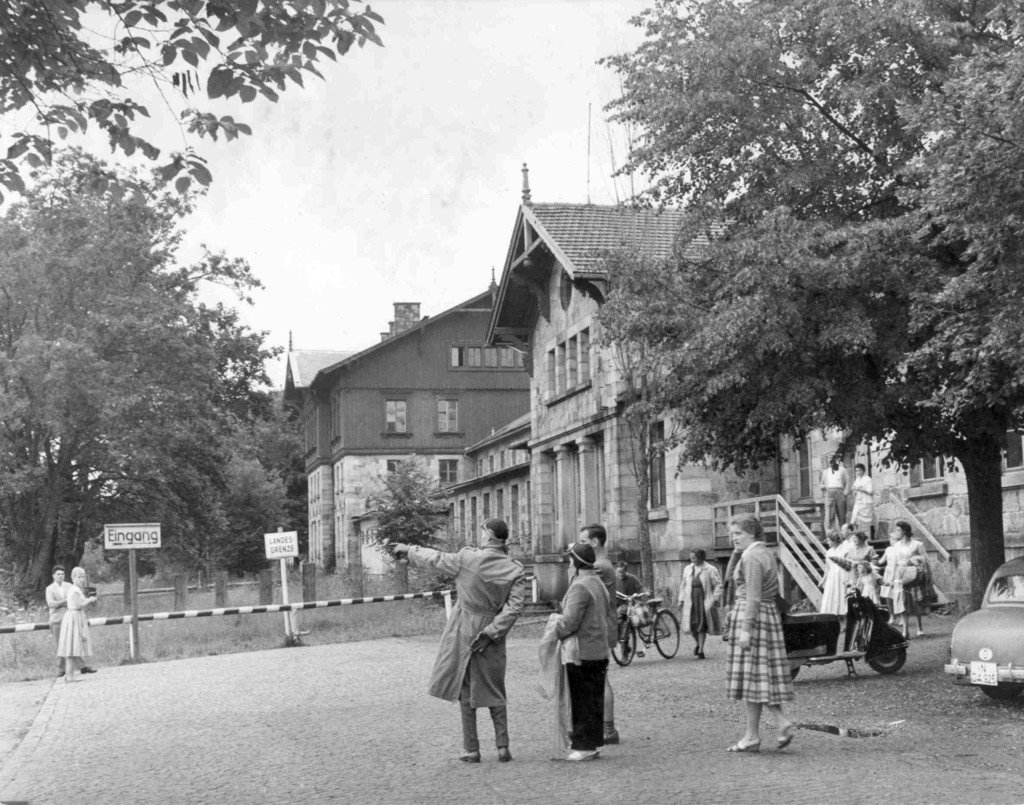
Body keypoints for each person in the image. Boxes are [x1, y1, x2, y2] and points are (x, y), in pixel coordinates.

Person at [389, 518, 525, 763]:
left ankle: (471, 750)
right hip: (492, 633)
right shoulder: (515, 569)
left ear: (489, 537)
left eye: (483, 532)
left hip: (463, 628)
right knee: (494, 687)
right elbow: (514, 609)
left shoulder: (467, 558)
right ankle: (503, 746)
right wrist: (492, 632)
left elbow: (436, 558)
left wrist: (409, 550)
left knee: (465, 688)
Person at [724, 513, 795, 753]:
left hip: (753, 617)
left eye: (738, 533)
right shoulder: (763, 552)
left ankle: (774, 725)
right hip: (766, 615)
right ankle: (753, 734)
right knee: (757, 678)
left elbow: (753, 595)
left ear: (752, 533)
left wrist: (745, 629)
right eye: (732, 534)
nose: (734, 538)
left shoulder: (753, 556)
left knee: (755, 678)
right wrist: (737, 552)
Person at [554, 542, 613, 761]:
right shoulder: (598, 582)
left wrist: (554, 630)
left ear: (576, 562)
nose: (569, 563)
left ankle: (584, 746)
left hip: (581, 651)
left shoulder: (580, 586)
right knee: (594, 699)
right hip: (599, 650)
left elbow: (570, 622)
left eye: (570, 559)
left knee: (582, 700)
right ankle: (594, 743)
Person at [576, 524, 620, 745]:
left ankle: (608, 729)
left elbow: (575, 585)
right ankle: (603, 727)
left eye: (583, 542)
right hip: (605, 624)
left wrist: (573, 563)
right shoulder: (604, 563)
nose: (580, 546)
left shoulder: (598, 566)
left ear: (594, 542)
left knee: (600, 680)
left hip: (601, 627)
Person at [677, 549, 722, 659]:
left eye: (695, 557)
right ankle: (697, 643)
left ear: (701, 558)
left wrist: (716, 599)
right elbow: (683, 585)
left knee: (701, 625)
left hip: (703, 600)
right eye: (691, 557)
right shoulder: (688, 569)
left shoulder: (710, 569)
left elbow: (718, 585)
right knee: (691, 626)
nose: (692, 560)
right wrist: (681, 600)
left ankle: (701, 649)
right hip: (690, 600)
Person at [57, 567, 98, 682]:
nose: (81, 579)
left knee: (74, 646)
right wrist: (89, 600)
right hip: (73, 617)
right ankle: (69, 675)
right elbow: (78, 605)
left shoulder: (77, 589)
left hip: (77, 617)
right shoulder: (74, 589)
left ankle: (69, 675)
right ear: (73, 578)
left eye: (83, 576)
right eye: (79, 577)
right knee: (71, 646)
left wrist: (89, 600)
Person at [890, 520, 929, 639]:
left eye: (898, 530)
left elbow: (924, 558)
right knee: (902, 601)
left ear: (905, 531)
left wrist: (913, 560)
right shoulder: (896, 545)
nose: (896, 532)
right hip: (900, 575)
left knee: (915, 600)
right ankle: (905, 630)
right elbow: (894, 562)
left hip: (913, 574)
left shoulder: (917, 544)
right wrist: (892, 578)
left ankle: (919, 626)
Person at [45, 566, 73, 677]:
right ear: (53, 575)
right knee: (59, 644)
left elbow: (73, 599)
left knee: (72, 642)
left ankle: (77, 666)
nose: (60, 575)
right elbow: (51, 603)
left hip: (69, 617)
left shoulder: (69, 586)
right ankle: (61, 669)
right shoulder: (50, 588)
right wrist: (65, 601)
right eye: (58, 574)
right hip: (57, 619)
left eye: (62, 573)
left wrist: (60, 603)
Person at [819, 531, 849, 616]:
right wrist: (823, 580)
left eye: (828, 540)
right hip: (832, 577)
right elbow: (827, 567)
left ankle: (843, 614)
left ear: (834, 540)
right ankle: (831, 615)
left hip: (842, 575)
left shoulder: (844, 550)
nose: (827, 542)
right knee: (831, 595)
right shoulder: (829, 551)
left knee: (841, 594)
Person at [819, 453, 850, 532]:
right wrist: (822, 486)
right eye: (829, 460)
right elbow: (821, 483)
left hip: (840, 492)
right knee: (829, 515)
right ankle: (831, 535)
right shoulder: (825, 472)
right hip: (829, 493)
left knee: (841, 514)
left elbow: (848, 481)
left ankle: (843, 534)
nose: (831, 461)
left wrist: (845, 492)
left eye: (832, 459)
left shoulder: (842, 470)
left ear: (836, 460)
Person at [848, 463, 875, 533]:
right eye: (856, 471)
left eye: (860, 470)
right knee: (854, 519)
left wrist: (861, 489)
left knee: (865, 522)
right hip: (858, 502)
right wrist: (854, 489)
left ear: (863, 471)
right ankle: (856, 534)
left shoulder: (868, 479)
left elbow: (870, 492)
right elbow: (854, 488)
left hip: (866, 502)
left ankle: (866, 536)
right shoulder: (857, 479)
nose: (858, 472)